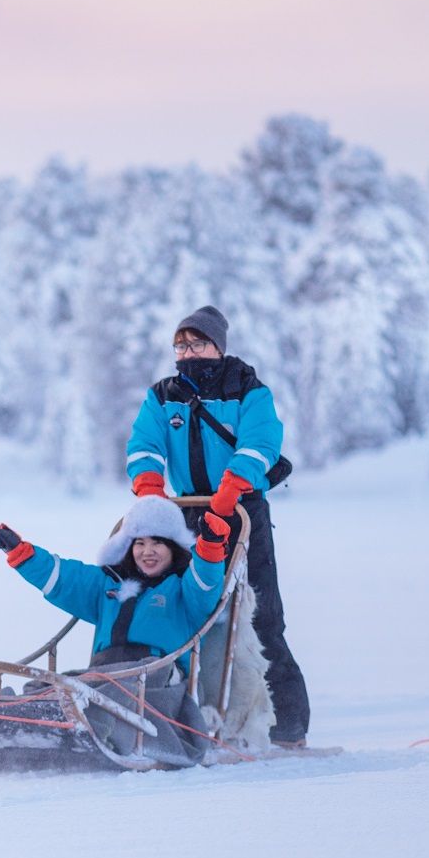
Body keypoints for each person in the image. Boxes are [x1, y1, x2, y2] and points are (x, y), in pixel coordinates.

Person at [122, 305, 309, 747]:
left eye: (197, 343)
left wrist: (233, 486)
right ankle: (180, 713)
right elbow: (144, 444)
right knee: (176, 610)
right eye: (181, 345)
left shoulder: (247, 388)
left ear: (218, 346)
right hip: (185, 515)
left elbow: (261, 442)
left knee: (262, 618)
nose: (188, 352)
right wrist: (149, 485)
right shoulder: (162, 394)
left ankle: (288, 726)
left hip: (242, 512)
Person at [0, 496, 232, 670]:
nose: (147, 551)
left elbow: (206, 583)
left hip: (160, 679)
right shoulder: (109, 585)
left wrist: (210, 549)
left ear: (174, 548)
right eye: (140, 543)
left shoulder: (183, 590)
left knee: (101, 696)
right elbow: (65, 578)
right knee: (60, 686)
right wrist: (22, 553)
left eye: (157, 543)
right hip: (104, 672)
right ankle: (17, 712)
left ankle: (72, 723)